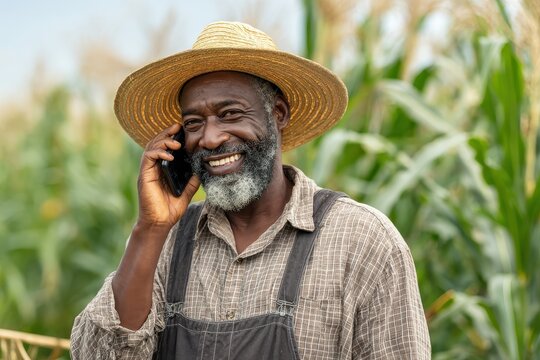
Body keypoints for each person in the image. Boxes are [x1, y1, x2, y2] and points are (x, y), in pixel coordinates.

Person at [70, 21, 430, 359]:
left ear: (278, 114)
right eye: (194, 123)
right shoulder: (166, 242)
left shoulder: (362, 240)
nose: (210, 138)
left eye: (230, 114)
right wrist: (149, 229)